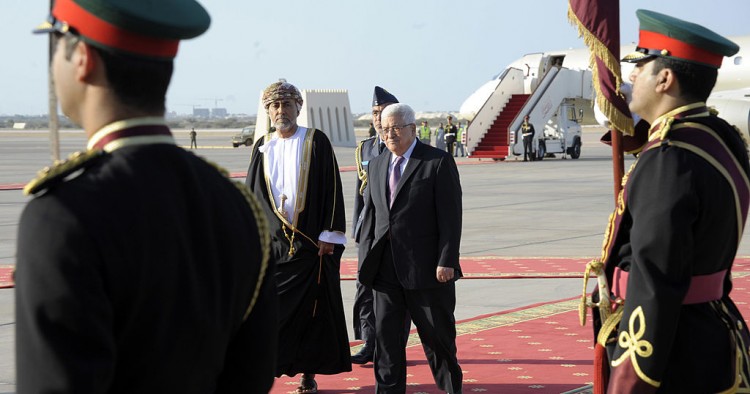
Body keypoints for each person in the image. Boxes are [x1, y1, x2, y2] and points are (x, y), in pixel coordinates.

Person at [17, 1, 279, 392]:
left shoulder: (62, 216)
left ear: (83, 59)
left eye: (55, 44)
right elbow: (252, 376)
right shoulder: (240, 208)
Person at [584, 9, 750, 393]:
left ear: (665, 78)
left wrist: (629, 381)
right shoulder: (719, 136)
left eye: (640, 67)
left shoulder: (668, 158)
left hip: (674, 353)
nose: (631, 76)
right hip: (715, 331)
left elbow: (655, 280)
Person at [245, 81, 351, 393]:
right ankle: (269, 369)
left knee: (312, 315)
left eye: (287, 105)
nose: (281, 111)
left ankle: (308, 372)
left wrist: (329, 234)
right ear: (268, 111)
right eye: (275, 106)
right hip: (275, 248)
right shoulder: (263, 145)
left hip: (311, 246)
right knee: (269, 314)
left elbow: (332, 189)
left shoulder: (315, 141)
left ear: (298, 109)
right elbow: (253, 195)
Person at [359, 103, 463, 393]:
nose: (389, 134)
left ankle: (451, 389)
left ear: (412, 129)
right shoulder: (378, 164)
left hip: (427, 270)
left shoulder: (436, 162)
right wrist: (366, 260)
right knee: (386, 341)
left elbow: (451, 217)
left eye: (396, 128)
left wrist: (447, 260)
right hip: (385, 271)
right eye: (384, 129)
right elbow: (373, 217)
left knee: (438, 340)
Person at [352, 86, 398, 365]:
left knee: (394, 290)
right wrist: (357, 229)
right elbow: (360, 191)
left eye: (383, 112)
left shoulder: (402, 143)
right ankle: (369, 342)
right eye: (374, 113)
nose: (378, 118)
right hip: (369, 226)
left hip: (394, 227)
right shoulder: (365, 149)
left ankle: (391, 344)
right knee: (364, 285)